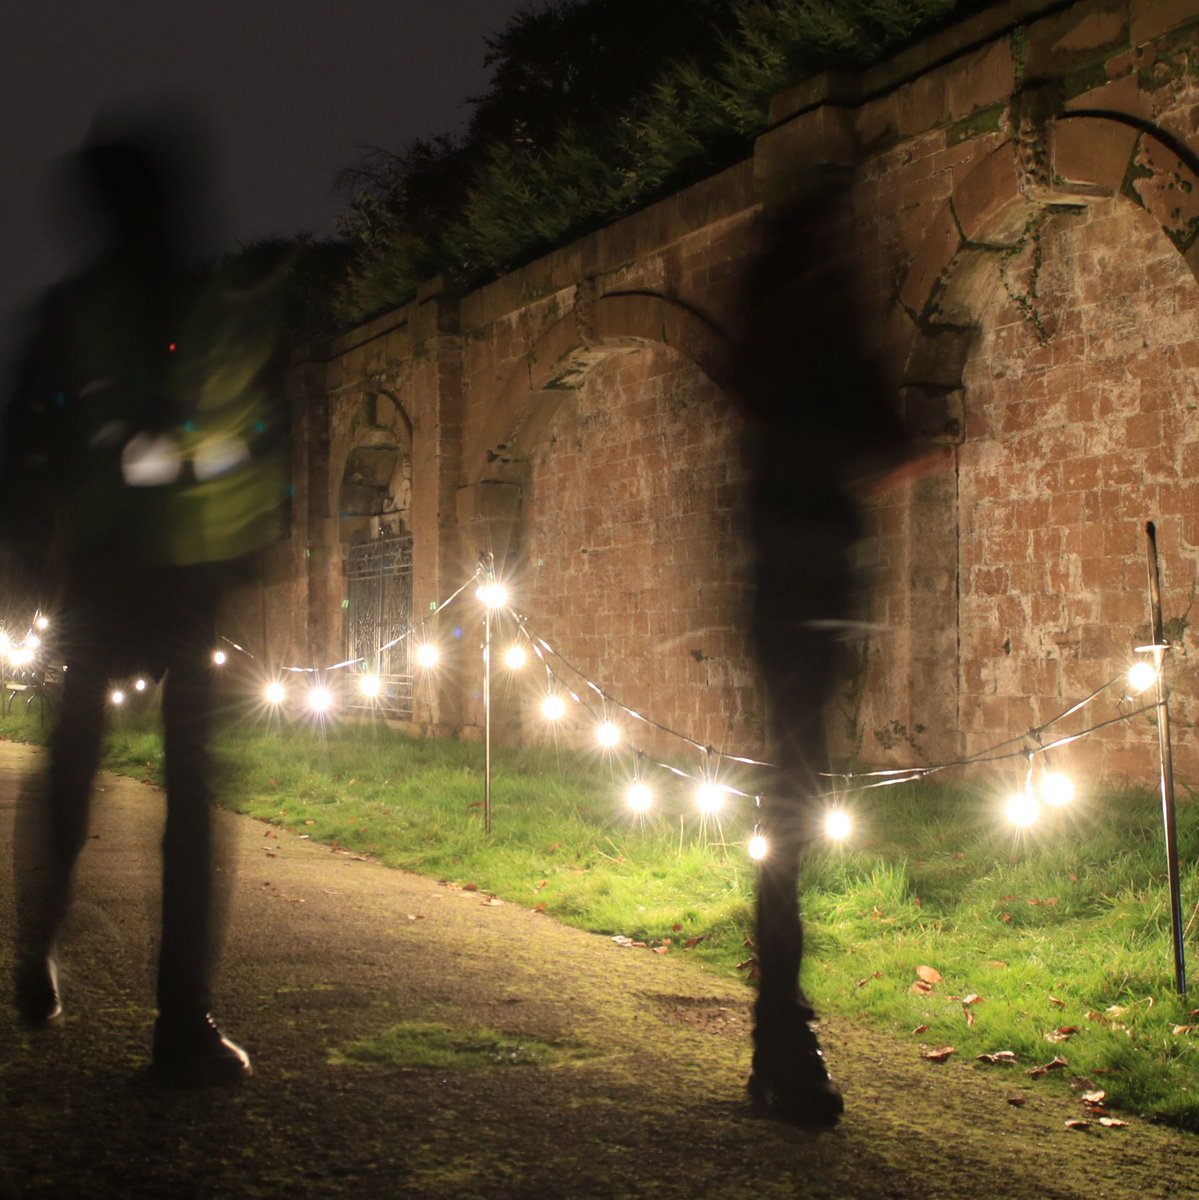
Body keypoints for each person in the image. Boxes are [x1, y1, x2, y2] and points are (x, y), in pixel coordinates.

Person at [3, 102, 284, 1085]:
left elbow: (25, 439)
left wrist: (39, 547)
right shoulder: (217, 303)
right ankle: (181, 1021)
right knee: (194, 794)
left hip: (105, 564)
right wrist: (255, 539)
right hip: (190, 572)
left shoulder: (74, 311)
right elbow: (257, 429)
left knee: (75, 763)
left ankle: (35, 944)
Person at [733, 179, 913, 1125]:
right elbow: (879, 433)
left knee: (791, 800)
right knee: (794, 801)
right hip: (808, 589)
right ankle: (780, 1039)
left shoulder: (772, 317)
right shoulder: (810, 315)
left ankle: (779, 1032)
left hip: (797, 589)